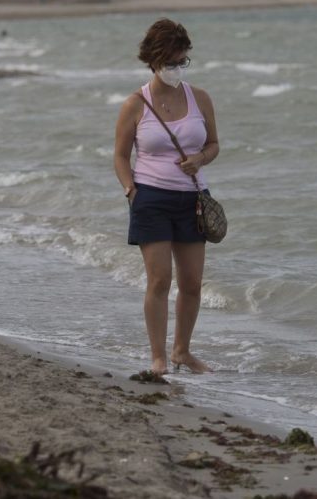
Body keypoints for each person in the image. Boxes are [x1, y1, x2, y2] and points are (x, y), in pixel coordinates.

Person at [113, 18, 220, 375]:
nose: (177, 69)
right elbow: (119, 155)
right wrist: (130, 190)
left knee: (191, 284)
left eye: (182, 61)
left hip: (192, 198)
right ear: (154, 61)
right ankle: (158, 357)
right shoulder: (135, 104)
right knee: (160, 280)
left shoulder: (199, 98)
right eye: (171, 62)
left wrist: (200, 159)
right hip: (151, 199)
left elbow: (213, 144)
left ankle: (182, 352)